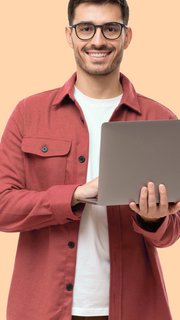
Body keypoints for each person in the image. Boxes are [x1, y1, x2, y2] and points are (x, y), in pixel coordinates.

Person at [0, 0, 180, 319]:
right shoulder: (29, 113)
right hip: (42, 308)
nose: (98, 41)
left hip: (134, 308)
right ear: (70, 36)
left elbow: (171, 232)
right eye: (86, 28)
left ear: (126, 37)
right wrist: (73, 195)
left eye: (111, 28)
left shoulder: (160, 119)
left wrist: (153, 219)